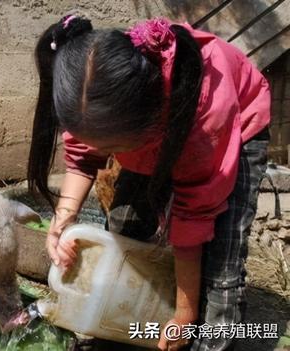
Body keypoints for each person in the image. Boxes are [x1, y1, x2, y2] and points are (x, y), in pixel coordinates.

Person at [26, 14, 270, 351]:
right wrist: (63, 217)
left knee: (219, 268)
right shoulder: (92, 91)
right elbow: (82, 157)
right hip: (156, 130)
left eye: (109, 150)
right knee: (126, 231)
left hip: (235, 128)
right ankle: (128, 332)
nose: (100, 154)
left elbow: (193, 216)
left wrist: (185, 316)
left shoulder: (203, 120)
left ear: (146, 125)